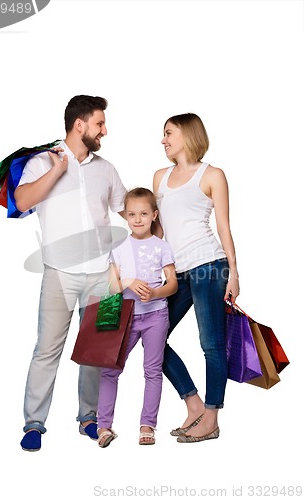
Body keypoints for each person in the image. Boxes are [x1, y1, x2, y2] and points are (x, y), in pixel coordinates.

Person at [14, 95, 127, 451]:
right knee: (47, 349)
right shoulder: (41, 161)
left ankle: (89, 419)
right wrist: (57, 171)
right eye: (99, 124)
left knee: (96, 350)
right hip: (59, 274)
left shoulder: (106, 168)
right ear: (80, 125)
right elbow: (22, 201)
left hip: (104, 275)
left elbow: (128, 209)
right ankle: (34, 423)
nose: (104, 131)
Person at [153, 113, 240, 443]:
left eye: (168, 133)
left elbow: (223, 227)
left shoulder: (212, 175)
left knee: (212, 344)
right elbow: (159, 230)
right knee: (154, 338)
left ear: (187, 135)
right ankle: (193, 405)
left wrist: (233, 273)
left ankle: (212, 419)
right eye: (163, 135)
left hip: (209, 265)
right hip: (176, 271)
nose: (163, 140)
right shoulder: (159, 176)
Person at [96, 188, 178, 448]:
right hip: (125, 317)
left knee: (153, 371)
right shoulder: (118, 246)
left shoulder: (162, 246)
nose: (138, 219)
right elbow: (112, 287)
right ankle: (103, 426)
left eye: (143, 213)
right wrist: (129, 281)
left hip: (156, 315)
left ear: (154, 215)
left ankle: (147, 425)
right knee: (110, 370)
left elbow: (173, 284)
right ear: (126, 217)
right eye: (132, 214)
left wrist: (155, 292)